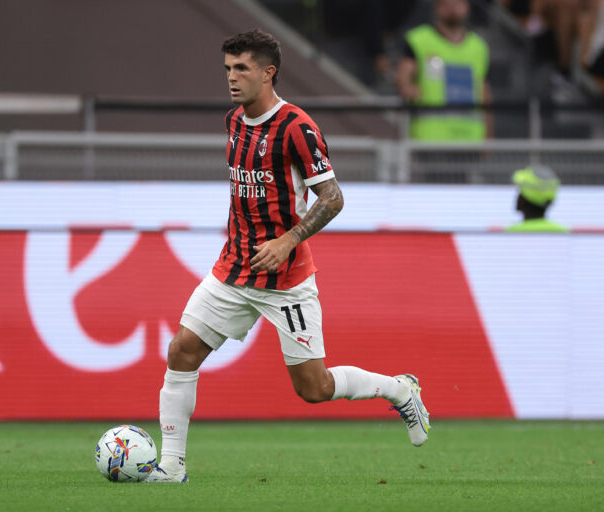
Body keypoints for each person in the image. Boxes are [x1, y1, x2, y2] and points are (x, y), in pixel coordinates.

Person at [144, 29, 430, 484]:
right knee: (181, 350)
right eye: (227, 69)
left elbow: (333, 198)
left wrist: (287, 240)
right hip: (234, 267)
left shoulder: (298, 128)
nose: (232, 78)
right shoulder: (234, 121)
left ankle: (399, 389)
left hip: (287, 279)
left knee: (312, 389)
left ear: (267, 72)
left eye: (242, 68)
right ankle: (172, 466)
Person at [396, 0, 493, 141]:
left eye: (458, 4)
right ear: (437, 8)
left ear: (467, 8)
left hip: (470, 138)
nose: (453, 9)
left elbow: (485, 95)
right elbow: (403, 78)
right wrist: (406, 87)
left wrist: (488, 135)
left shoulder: (479, 47)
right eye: (447, 5)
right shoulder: (419, 40)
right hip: (429, 138)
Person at [506, 165, 569, 232]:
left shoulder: (509, 234)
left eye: (521, 192)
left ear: (525, 199)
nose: (517, 196)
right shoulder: (565, 233)